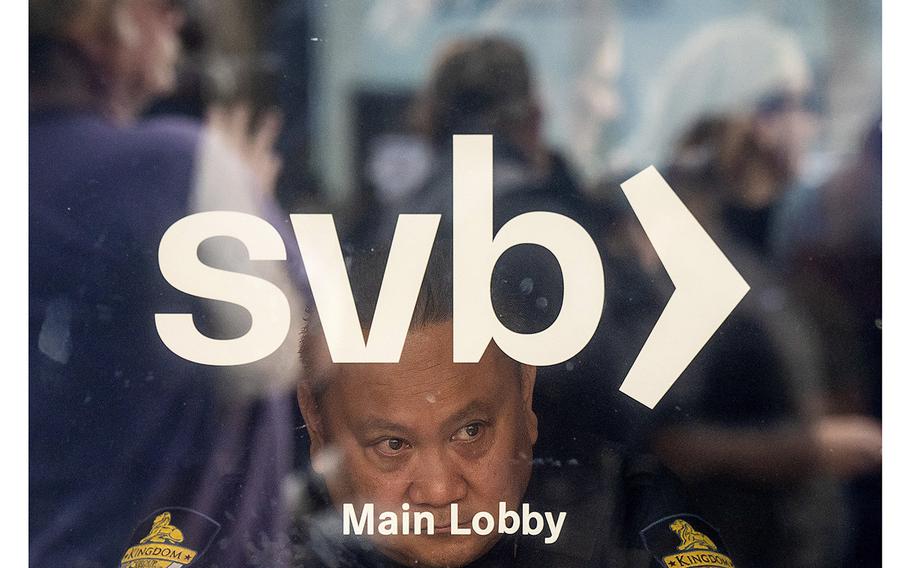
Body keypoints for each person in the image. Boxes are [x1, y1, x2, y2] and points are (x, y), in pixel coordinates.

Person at [30, 2, 300, 566]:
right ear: (104, 20)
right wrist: (243, 199)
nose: (180, 17)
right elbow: (303, 351)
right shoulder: (173, 167)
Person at [284, 246, 738, 568]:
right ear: (316, 423)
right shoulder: (254, 533)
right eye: (393, 444)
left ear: (525, 394)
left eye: (471, 433)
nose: (441, 491)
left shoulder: (619, 511)